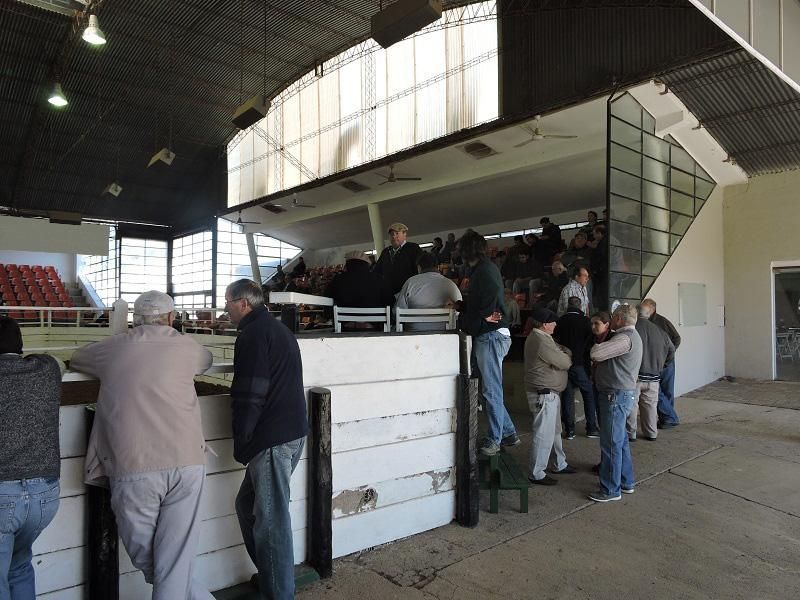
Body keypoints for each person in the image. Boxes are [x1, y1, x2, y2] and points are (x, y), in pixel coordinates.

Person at [69, 291, 214, 599]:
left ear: (135, 320)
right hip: (187, 461)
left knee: (152, 561)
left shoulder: (114, 347)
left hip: (135, 465)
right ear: (172, 318)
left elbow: (78, 358)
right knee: (171, 563)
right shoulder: (187, 347)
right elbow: (207, 360)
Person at [225, 279, 308, 600]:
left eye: (229, 303)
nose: (226, 309)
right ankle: (273, 576)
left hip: (272, 438)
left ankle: (280, 593)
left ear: (244, 304)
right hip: (289, 432)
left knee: (271, 522)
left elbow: (250, 392)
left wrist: (243, 439)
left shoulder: (253, 335)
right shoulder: (276, 329)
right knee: (247, 505)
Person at [0, 316, 62, 599]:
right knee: (20, 566)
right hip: (44, 496)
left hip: (3, 494)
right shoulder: (46, 369)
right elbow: (52, 359)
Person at [454, 230, 518, 456]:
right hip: (490, 333)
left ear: (467, 250)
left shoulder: (484, 272)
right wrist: (464, 308)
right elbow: (483, 309)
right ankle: (508, 433)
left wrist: (470, 319)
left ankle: (494, 440)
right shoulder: (483, 269)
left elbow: (488, 311)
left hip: (491, 335)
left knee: (491, 390)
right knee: (490, 390)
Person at [588, 304, 643, 503]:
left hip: (615, 396)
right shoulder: (628, 337)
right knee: (620, 442)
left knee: (611, 444)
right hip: (619, 395)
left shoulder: (624, 338)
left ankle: (611, 489)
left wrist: (598, 345)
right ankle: (626, 482)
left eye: (613, 317)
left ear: (619, 319)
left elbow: (596, 354)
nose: (610, 320)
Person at [524, 307, 575, 486]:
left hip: (549, 394)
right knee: (543, 434)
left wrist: (562, 353)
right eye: (553, 322)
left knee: (554, 432)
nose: (555, 325)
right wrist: (565, 355)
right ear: (545, 324)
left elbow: (562, 352)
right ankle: (536, 472)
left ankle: (559, 463)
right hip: (544, 394)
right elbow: (565, 361)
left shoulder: (543, 337)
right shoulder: (541, 340)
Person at [554, 296, 598, 439]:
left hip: (564, 364)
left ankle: (569, 430)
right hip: (580, 363)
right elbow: (590, 342)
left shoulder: (560, 320)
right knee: (588, 394)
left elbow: (556, 340)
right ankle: (591, 428)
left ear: (568, 305)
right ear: (580, 306)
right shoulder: (586, 321)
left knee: (567, 396)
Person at [628, 308, 675, 442]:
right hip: (654, 376)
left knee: (632, 405)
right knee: (650, 406)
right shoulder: (660, 331)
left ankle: (631, 434)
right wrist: (662, 365)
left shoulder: (633, 330)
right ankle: (651, 433)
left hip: (635, 376)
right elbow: (671, 349)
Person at [640, 298, 682, 428]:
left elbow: (677, 338)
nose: (641, 310)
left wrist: (666, 356)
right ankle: (668, 417)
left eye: (644, 308)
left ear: (652, 309)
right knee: (657, 391)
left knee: (666, 391)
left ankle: (668, 418)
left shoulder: (662, 322)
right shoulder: (644, 322)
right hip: (656, 362)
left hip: (665, 362)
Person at [395, 253, 462, 331]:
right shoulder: (450, 283)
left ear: (419, 267)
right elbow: (458, 312)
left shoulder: (410, 282)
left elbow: (399, 310)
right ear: (437, 267)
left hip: (414, 332)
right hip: (444, 333)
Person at [373, 223, 424, 304]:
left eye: (397, 233)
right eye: (391, 234)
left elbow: (420, 270)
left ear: (404, 234)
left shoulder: (413, 248)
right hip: (389, 295)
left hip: (408, 294)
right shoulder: (386, 252)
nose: (394, 236)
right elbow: (377, 271)